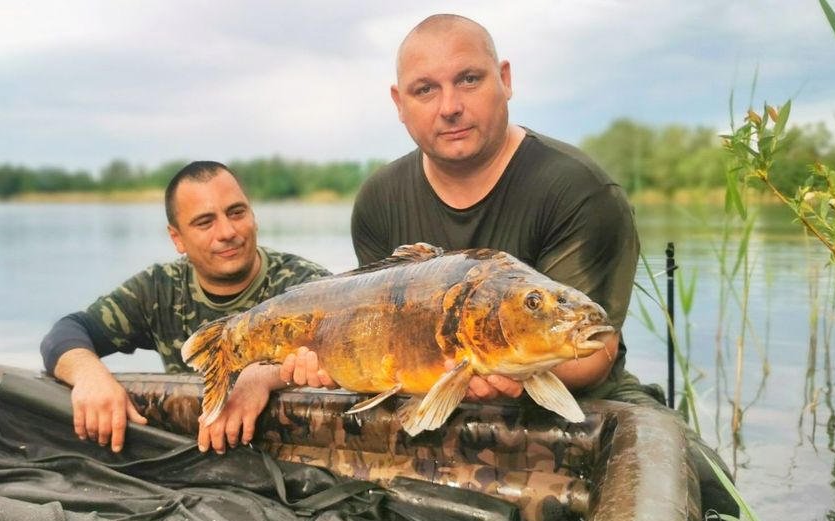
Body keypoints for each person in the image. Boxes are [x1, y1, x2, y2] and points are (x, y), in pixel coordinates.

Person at [288, 13, 640, 407]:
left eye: (469, 79)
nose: (450, 107)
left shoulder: (581, 191)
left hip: (577, 409)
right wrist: (329, 364)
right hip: (425, 403)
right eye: (425, 90)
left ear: (505, 80)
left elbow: (595, 349)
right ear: (399, 103)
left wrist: (508, 369)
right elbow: (380, 346)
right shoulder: (378, 198)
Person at [41, 160, 331, 454]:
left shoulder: (308, 285)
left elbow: (347, 357)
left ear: (253, 215)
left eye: (237, 212)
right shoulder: (158, 289)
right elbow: (66, 333)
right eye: (205, 222)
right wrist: (90, 377)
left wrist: (265, 376)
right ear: (177, 238)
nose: (227, 231)